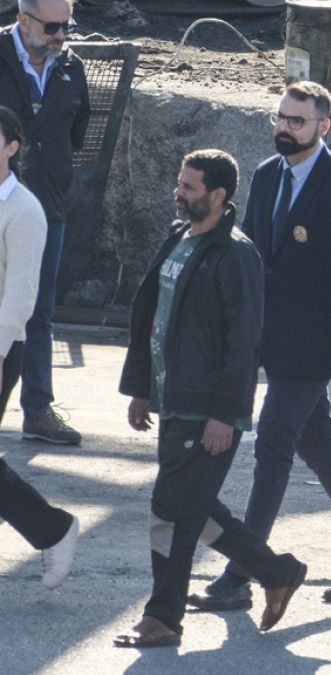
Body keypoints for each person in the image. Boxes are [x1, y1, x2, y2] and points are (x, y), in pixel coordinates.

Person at [189, 82, 331, 612]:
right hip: (269, 339)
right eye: (281, 118)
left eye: (298, 121)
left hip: (314, 349)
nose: (285, 128)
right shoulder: (265, 176)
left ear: (323, 127)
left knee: (273, 445)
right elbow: (253, 259)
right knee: (321, 450)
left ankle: (243, 573)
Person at [113, 149, 308, 648]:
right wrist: (140, 389)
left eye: (190, 187)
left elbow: (244, 342)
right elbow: (152, 317)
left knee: (169, 508)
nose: (178, 192)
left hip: (206, 410)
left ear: (218, 196)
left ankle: (162, 619)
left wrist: (225, 414)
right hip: (172, 398)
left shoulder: (236, 255)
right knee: (191, 506)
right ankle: (276, 571)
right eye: (180, 183)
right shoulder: (179, 238)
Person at [0, 0, 89, 445]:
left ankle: (37, 409)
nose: (61, 36)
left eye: (67, 26)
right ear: (23, 20)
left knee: (38, 308)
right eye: (52, 26)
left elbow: (77, 131)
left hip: (46, 205)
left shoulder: (71, 67)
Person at [0, 104, 77, 591]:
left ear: (12, 147)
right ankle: (51, 528)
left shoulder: (24, 210)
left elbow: (19, 299)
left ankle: (53, 529)